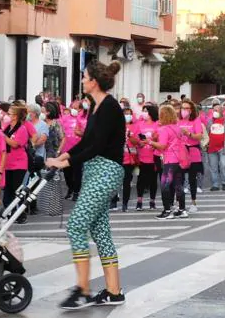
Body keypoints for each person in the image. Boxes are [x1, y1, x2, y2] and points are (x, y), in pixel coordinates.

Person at [46, 61, 126, 310]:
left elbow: (98, 146)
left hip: (106, 170)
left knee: (76, 224)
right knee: (100, 231)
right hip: (94, 170)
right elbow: (85, 144)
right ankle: (114, 291)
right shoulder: (94, 106)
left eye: (84, 77)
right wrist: (64, 157)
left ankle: (82, 289)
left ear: (94, 82)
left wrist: (66, 164)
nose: (81, 81)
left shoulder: (110, 107)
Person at [206, 103, 225, 191]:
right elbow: (207, 133)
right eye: (214, 110)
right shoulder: (210, 122)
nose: (215, 112)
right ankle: (215, 184)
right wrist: (206, 143)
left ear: (222, 111)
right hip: (212, 147)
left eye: (217, 110)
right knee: (213, 166)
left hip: (224, 147)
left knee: (224, 165)